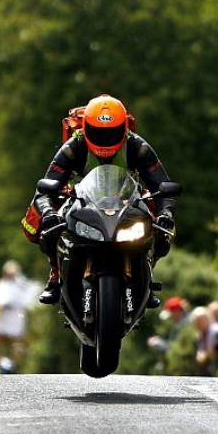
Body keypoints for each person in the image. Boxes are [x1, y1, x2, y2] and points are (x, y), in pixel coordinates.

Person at [22, 94, 179, 307]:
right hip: (82, 203)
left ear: (124, 128)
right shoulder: (74, 145)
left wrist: (166, 214)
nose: (105, 138)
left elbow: (161, 183)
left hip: (127, 203)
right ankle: (55, 276)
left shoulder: (137, 146)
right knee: (49, 227)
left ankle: (146, 274)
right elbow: (47, 185)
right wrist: (49, 212)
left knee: (162, 230)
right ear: (86, 127)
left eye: (112, 132)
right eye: (98, 132)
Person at [0, 259, 37, 360]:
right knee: (1, 345)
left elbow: (26, 299)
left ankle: (17, 360)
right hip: (3, 319)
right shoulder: (0, 285)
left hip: (16, 318)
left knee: (17, 344)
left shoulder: (20, 285)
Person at [190, 306, 218, 376]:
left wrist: (206, 355)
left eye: (201, 320)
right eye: (197, 321)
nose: (199, 324)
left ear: (208, 319)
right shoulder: (199, 335)